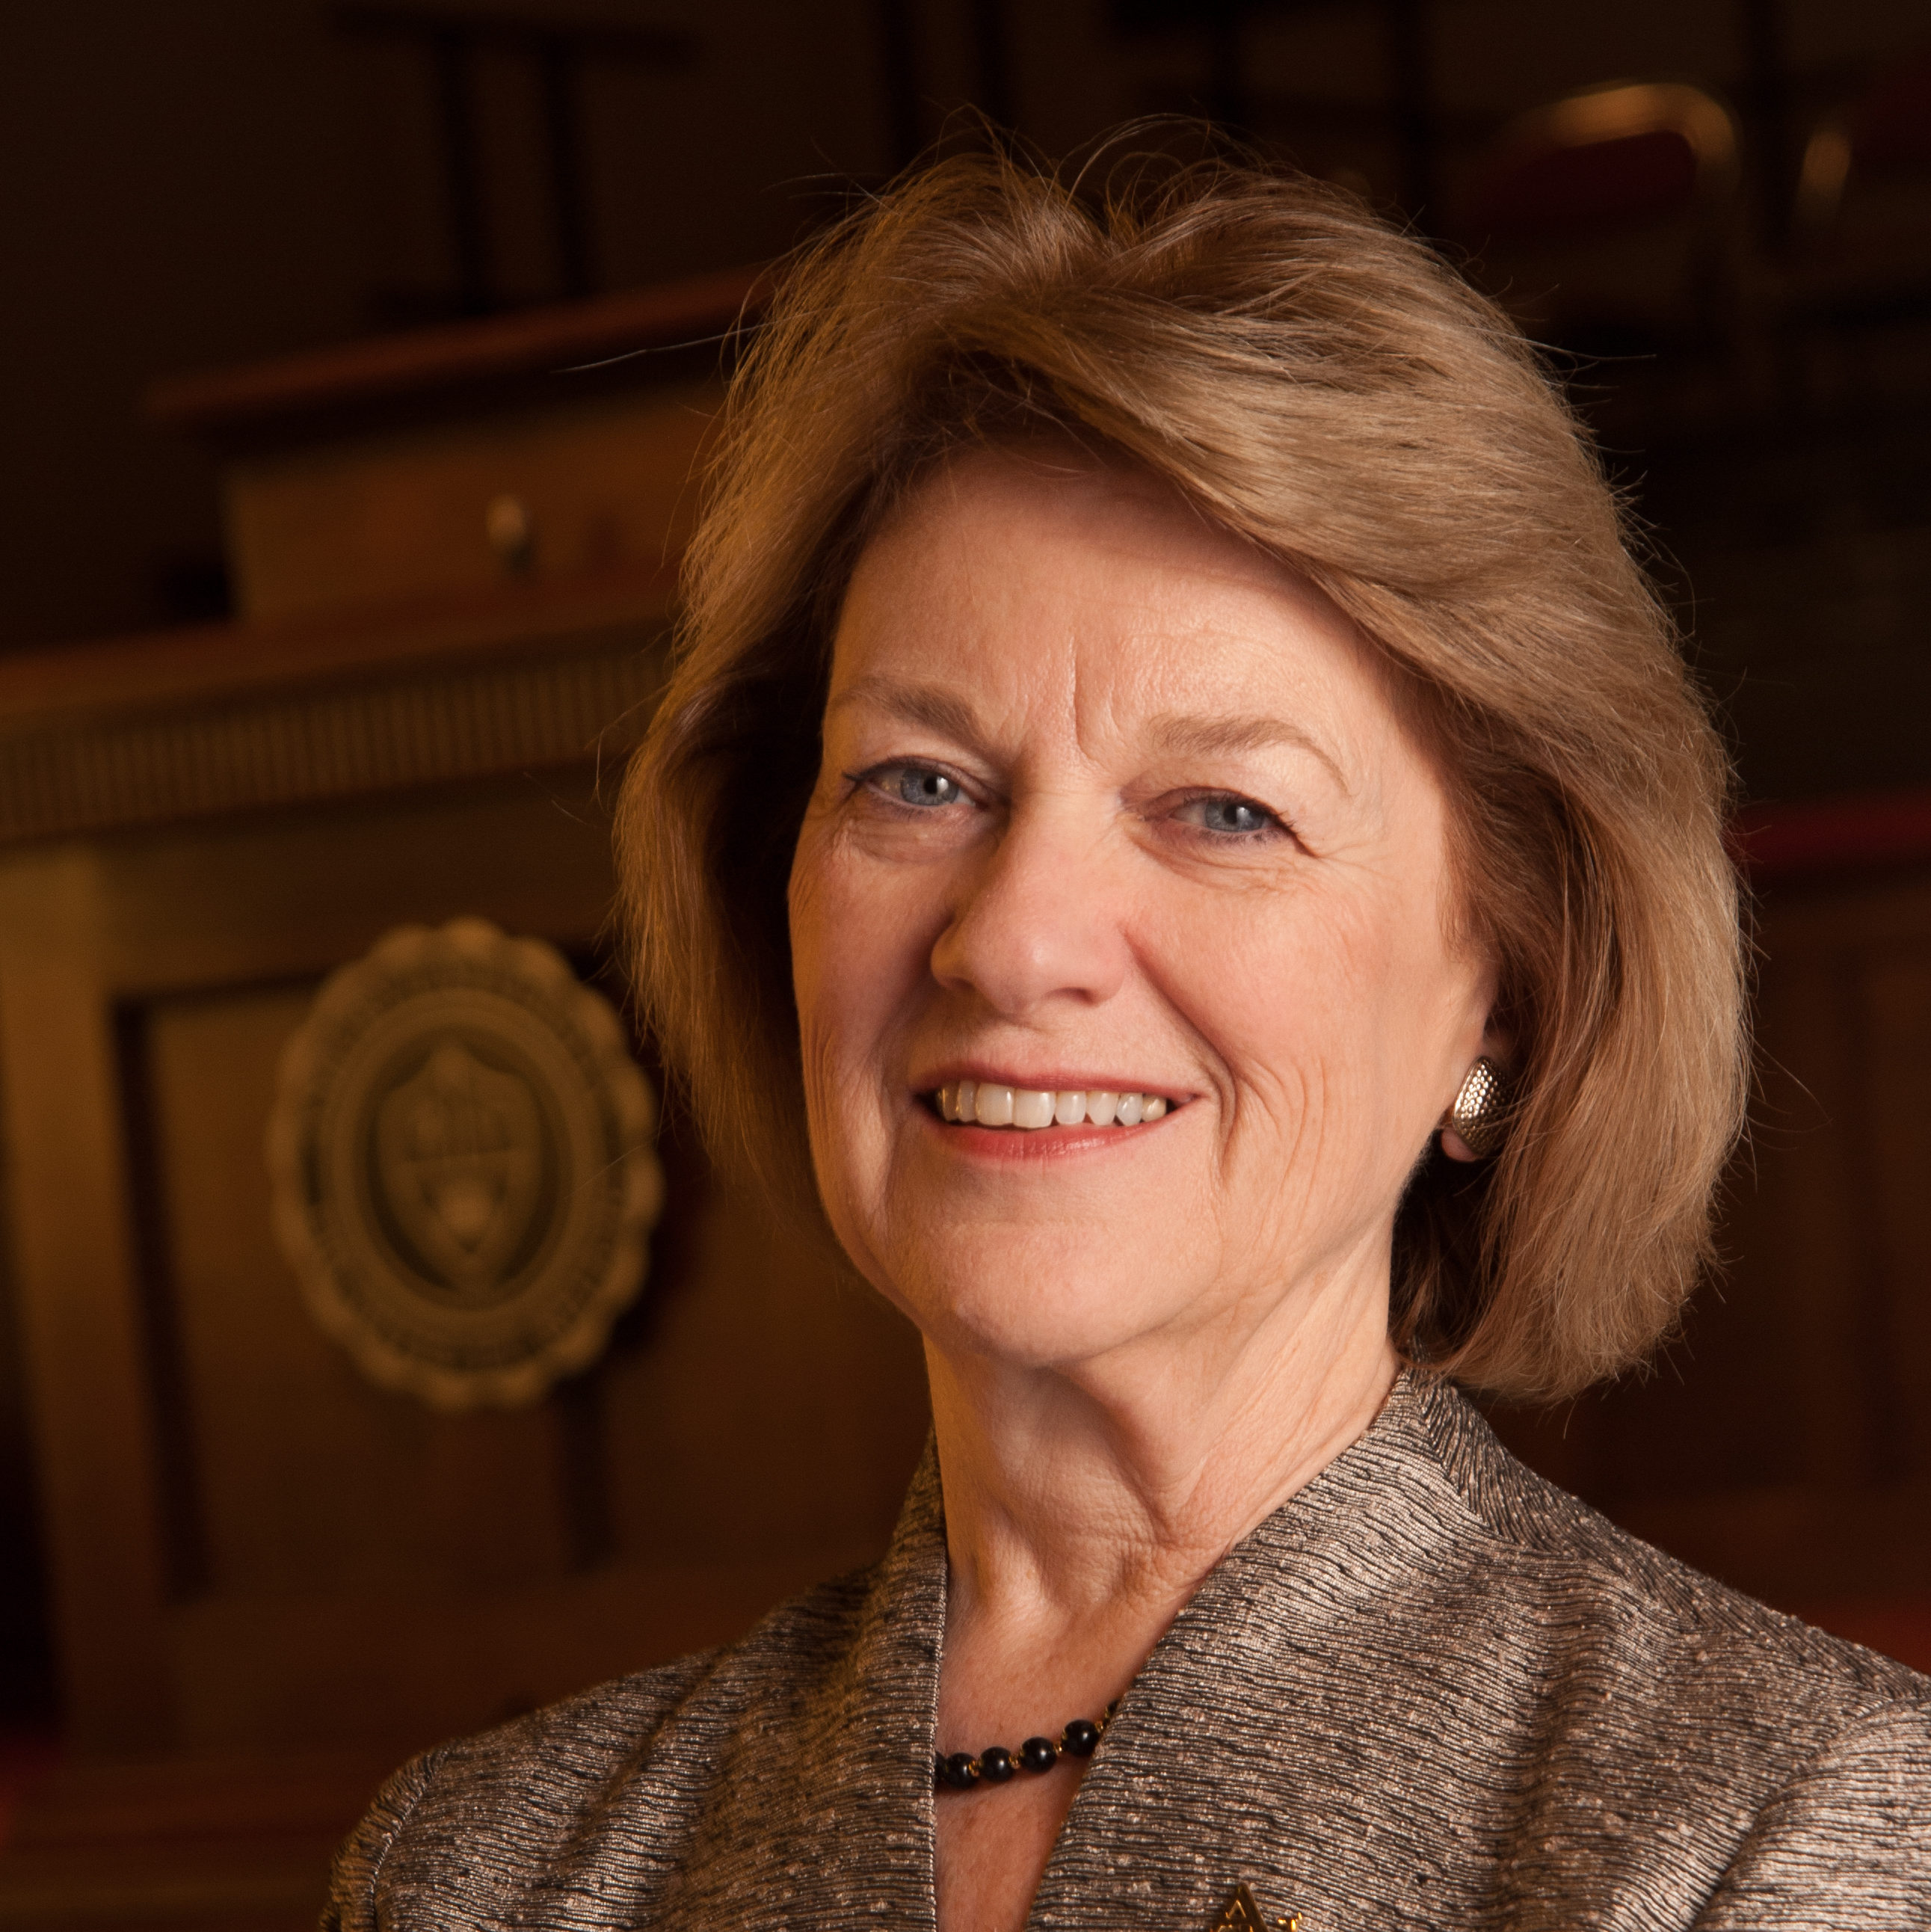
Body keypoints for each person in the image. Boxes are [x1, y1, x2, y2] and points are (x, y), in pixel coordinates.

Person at [324, 144, 1930, 1931]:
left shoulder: (1785, 1832)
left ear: (1504, 984)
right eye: (917, 781)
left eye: (1223, 809)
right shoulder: (484, 1873)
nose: (1012, 935)